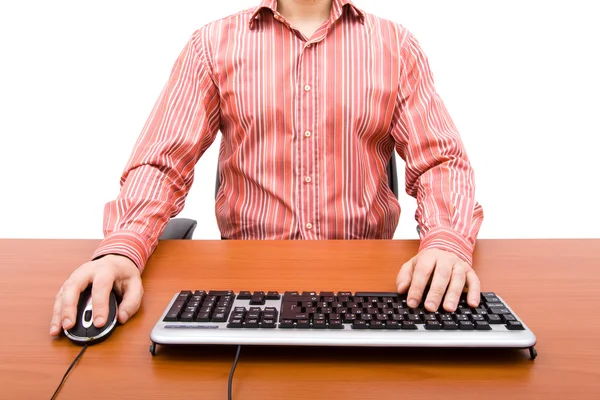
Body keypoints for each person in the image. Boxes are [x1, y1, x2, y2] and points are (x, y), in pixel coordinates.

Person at [50, 0, 484, 337]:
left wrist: (446, 241)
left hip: (368, 283)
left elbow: (440, 162)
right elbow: (162, 162)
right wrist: (122, 247)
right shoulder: (213, 44)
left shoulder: (395, 46)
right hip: (246, 287)